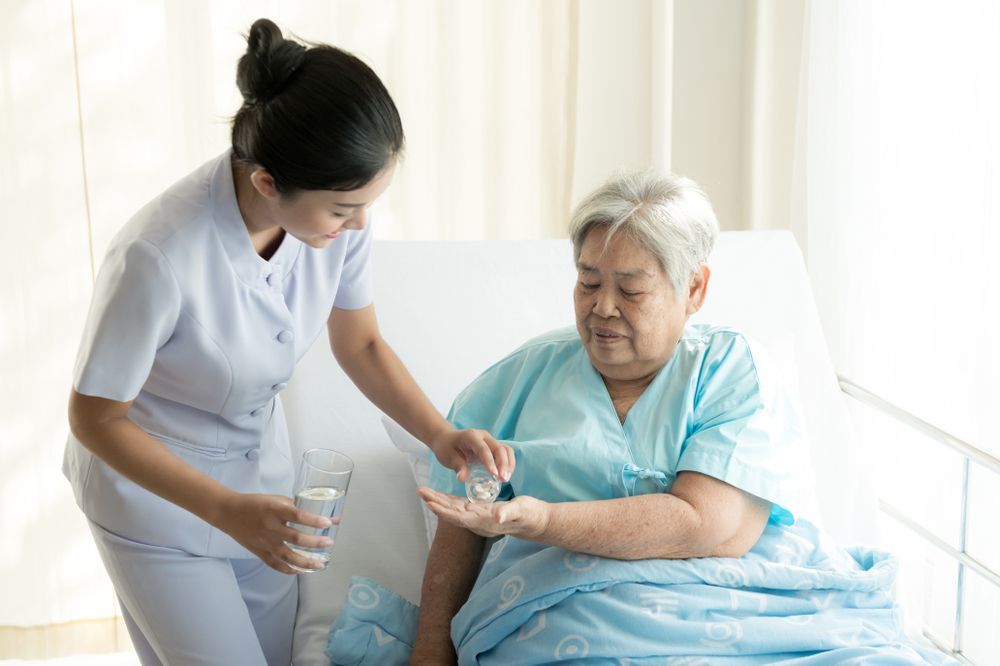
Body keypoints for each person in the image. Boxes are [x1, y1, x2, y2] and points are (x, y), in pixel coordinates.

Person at [63, 18, 512, 666]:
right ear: (267, 184)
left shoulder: (335, 219)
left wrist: (441, 435)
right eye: (342, 209)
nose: (359, 224)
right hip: (156, 503)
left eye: (366, 203)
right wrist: (225, 509)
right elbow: (95, 417)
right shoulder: (157, 256)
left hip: (265, 494)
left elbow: (360, 344)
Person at [383, 171, 950, 664]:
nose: (603, 307)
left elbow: (705, 523)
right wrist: (430, 654)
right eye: (588, 282)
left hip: (747, 605)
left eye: (631, 289)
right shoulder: (516, 381)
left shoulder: (731, 371)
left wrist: (541, 519)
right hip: (571, 616)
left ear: (694, 288)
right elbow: (461, 525)